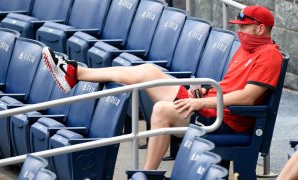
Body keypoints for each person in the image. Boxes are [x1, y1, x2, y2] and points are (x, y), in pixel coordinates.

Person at [42, 5, 283, 170]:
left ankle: (148, 173)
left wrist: (202, 101)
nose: (238, 31)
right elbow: (231, 85)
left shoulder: (269, 55)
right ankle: (77, 73)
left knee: (161, 110)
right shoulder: (246, 48)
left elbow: (249, 97)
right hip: (210, 105)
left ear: (260, 28)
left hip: (225, 119)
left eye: (243, 27)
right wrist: (202, 90)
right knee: (147, 71)